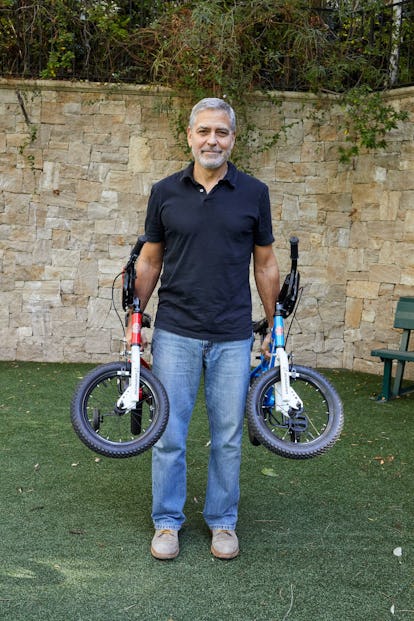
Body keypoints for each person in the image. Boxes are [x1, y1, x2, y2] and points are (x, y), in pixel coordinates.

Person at [132, 97, 280, 560]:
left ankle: (222, 522)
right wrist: (135, 322)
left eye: (221, 132)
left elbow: (266, 263)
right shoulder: (165, 192)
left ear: (233, 139)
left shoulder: (254, 193)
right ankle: (167, 524)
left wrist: (273, 326)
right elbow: (150, 259)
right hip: (176, 329)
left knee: (229, 433)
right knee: (169, 432)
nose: (212, 140)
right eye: (204, 131)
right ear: (190, 136)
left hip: (232, 333)